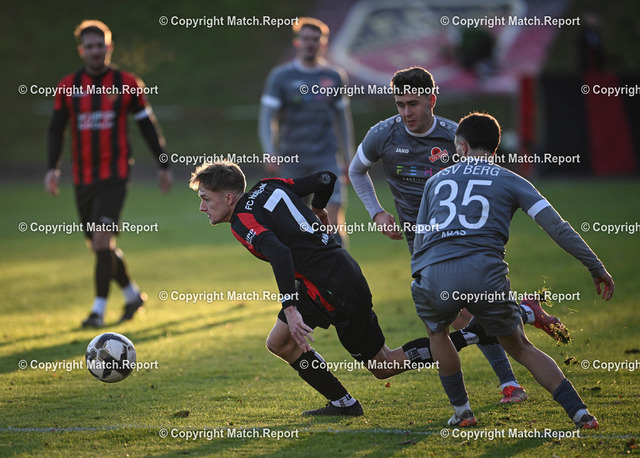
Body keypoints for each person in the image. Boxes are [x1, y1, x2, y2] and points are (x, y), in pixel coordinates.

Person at [190, 161, 498, 416]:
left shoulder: (242, 221)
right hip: (327, 277)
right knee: (280, 342)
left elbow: (280, 254)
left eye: (205, 198)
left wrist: (290, 309)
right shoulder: (269, 185)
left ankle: (475, 333)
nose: (202, 207)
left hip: (334, 288)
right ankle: (343, 403)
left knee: (383, 365)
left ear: (228, 197)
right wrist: (320, 209)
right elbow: (326, 178)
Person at [348, 66, 569, 403]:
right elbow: (356, 170)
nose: (406, 112)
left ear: (432, 100)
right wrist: (376, 211)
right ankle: (519, 333)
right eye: (400, 105)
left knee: (463, 313)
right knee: (462, 316)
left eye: (413, 104)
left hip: (461, 238)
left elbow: (489, 180)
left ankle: (507, 380)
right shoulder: (384, 134)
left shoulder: (455, 138)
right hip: (420, 243)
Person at [411, 112, 614, 428]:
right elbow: (556, 226)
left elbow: (420, 237)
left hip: (435, 274)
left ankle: (463, 412)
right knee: (520, 346)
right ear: (495, 149)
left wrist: (420, 276)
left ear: (462, 147)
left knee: (438, 334)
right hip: (485, 274)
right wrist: (594, 265)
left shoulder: (435, 181)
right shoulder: (511, 180)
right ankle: (580, 413)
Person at [45, 20, 172, 327]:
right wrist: (52, 168)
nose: (95, 51)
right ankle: (132, 295)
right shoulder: (68, 86)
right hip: (83, 177)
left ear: (109, 47)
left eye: (100, 45)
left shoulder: (127, 83)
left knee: (102, 239)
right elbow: (56, 130)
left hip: (115, 175)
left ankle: (97, 311)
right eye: (89, 46)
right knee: (99, 245)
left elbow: (147, 126)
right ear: (81, 50)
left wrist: (164, 165)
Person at [259, 17, 353, 246]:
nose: (310, 43)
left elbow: (342, 120)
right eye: (306, 39)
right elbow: (267, 117)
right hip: (292, 160)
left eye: (315, 39)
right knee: (295, 225)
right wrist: (269, 151)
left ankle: (340, 267)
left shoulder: (334, 76)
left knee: (331, 221)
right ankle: (304, 270)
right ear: (297, 42)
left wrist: (349, 158)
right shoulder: (281, 76)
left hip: (326, 157)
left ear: (323, 43)